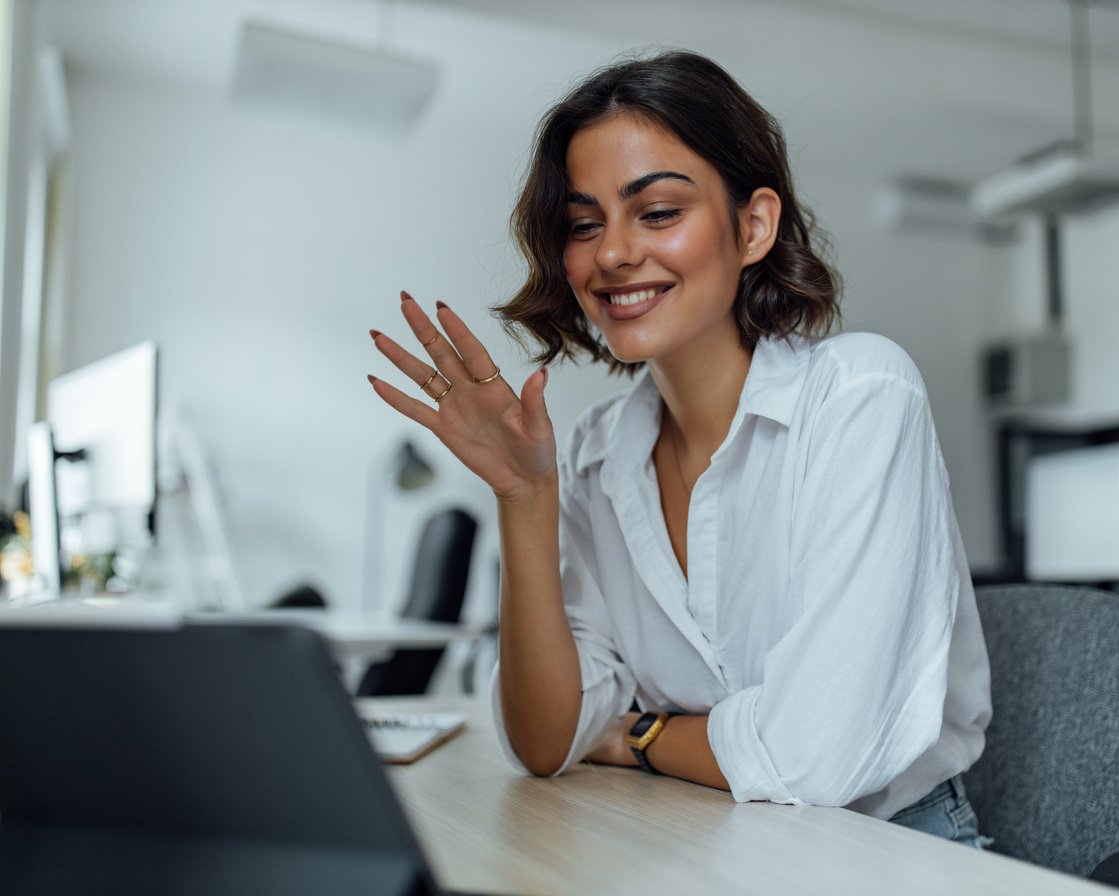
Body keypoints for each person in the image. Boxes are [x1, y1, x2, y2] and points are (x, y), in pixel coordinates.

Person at [367, 49, 992, 844]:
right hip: (705, 835)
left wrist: (639, 735)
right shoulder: (596, 454)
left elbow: (817, 763)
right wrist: (525, 501)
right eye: (584, 224)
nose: (614, 253)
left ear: (754, 224)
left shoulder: (862, 397)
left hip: (894, 848)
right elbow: (547, 740)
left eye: (657, 212)